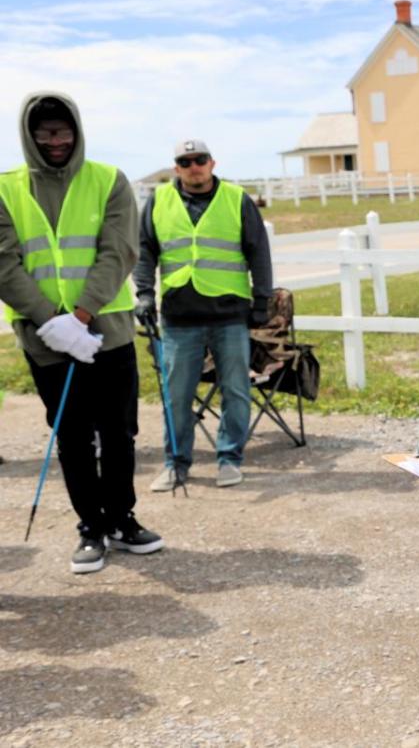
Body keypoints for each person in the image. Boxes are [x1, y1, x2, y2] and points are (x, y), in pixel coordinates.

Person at [0, 92, 163, 573]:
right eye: (45, 132)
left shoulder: (108, 180)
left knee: (119, 432)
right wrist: (53, 320)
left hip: (106, 332)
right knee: (71, 435)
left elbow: (118, 252)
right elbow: (3, 262)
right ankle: (90, 526)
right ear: (30, 135)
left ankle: (121, 519)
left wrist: (83, 315)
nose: (56, 140)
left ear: (78, 130)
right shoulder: (5, 188)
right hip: (45, 337)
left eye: (63, 130)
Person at [134, 139, 273, 491]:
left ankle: (229, 458)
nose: (193, 166)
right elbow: (145, 251)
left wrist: (261, 301)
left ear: (212, 163)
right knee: (177, 395)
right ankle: (176, 463)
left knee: (236, 391)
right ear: (176, 167)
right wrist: (145, 295)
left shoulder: (236, 199)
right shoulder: (159, 200)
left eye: (199, 160)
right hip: (180, 318)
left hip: (229, 315)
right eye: (185, 161)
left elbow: (259, 253)